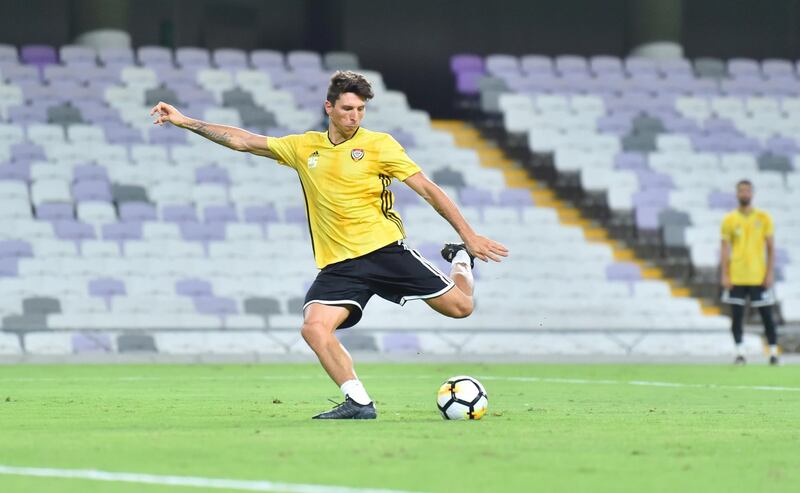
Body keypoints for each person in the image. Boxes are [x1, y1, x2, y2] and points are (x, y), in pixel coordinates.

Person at [150, 71, 509, 418]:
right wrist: (185, 121)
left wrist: (469, 237)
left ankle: (460, 260)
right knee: (313, 328)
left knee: (461, 308)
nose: (354, 116)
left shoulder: (379, 145)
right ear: (329, 108)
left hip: (384, 251)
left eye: (360, 110)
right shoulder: (305, 147)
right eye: (347, 109)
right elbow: (242, 140)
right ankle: (358, 402)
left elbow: (429, 189)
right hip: (340, 265)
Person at [720, 179, 778, 366]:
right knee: (737, 316)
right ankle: (740, 353)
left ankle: (773, 352)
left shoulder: (764, 218)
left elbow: (770, 248)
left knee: (766, 315)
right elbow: (724, 249)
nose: (744, 194)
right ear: (737, 194)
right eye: (741, 191)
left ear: (752, 194)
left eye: (747, 191)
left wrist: (769, 273)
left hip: (758, 276)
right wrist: (725, 274)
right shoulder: (729, 219)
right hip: (737, 276)